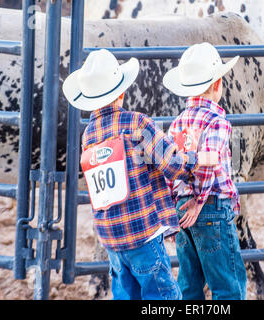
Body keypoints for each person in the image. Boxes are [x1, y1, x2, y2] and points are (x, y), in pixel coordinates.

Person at [62, 48, 218, 300]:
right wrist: (198, 159)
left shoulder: (88, 135)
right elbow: (172, 164)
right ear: (121, 93)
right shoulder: (137, 124)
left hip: (111, 238)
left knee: (125, 293)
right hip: (142, 233)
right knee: (161, 296)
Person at [162, 42, 247, 300]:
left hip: (182, 208)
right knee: (227, 284)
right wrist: (199, 202)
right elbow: (207, 166)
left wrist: (179, 204)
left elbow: (171, 166)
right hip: (210, 206)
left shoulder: (177, 122)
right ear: (217, 84)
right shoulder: (217, 121)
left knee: (189, 282)